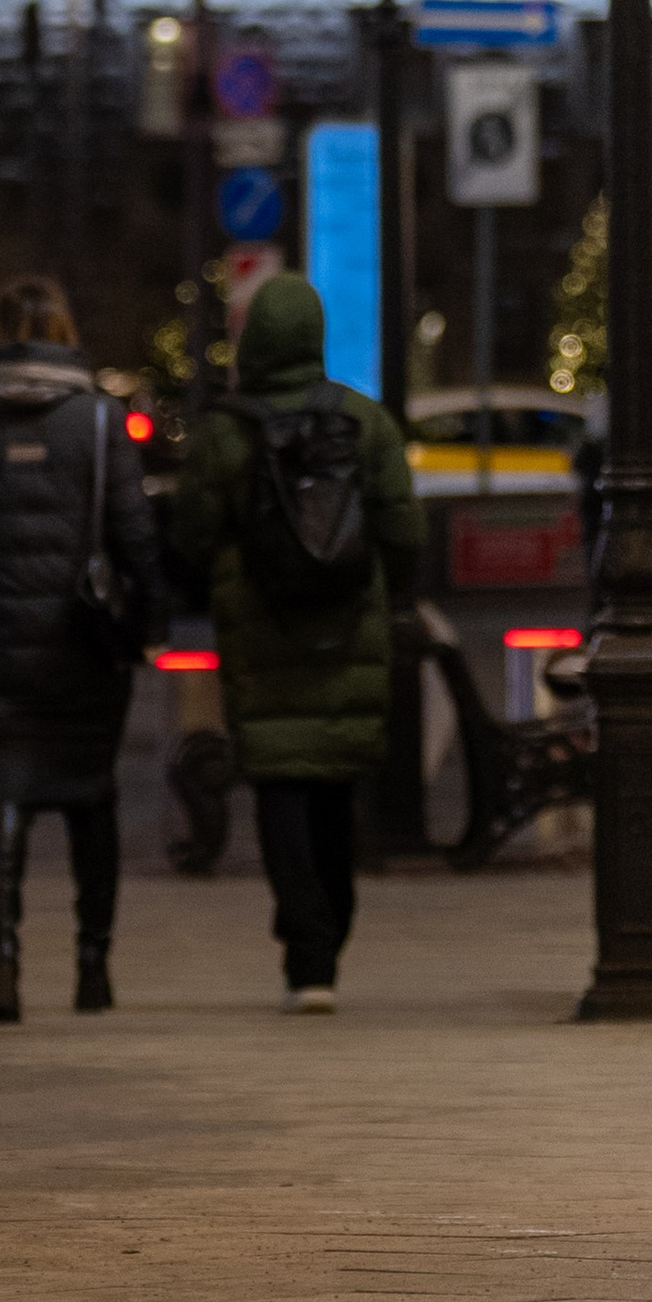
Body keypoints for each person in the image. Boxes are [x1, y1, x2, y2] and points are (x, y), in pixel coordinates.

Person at [172, 270, 418, 1012]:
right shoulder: (364, 422)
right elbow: (404, 531)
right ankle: (329, 935)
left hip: (262, 631)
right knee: (336, 788)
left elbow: (188, 537)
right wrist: (389, 594)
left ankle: (306, 954)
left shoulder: (224, 430)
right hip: (350, 627)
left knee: (280, 787)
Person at [0, 275, 165, 1024]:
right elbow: (135, 537)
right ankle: (93, 966)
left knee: (3, 794)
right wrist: (149, 624)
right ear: (66, 332)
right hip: (83, 644)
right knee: (89, 794)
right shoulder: (100, 421)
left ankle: (3, 960)